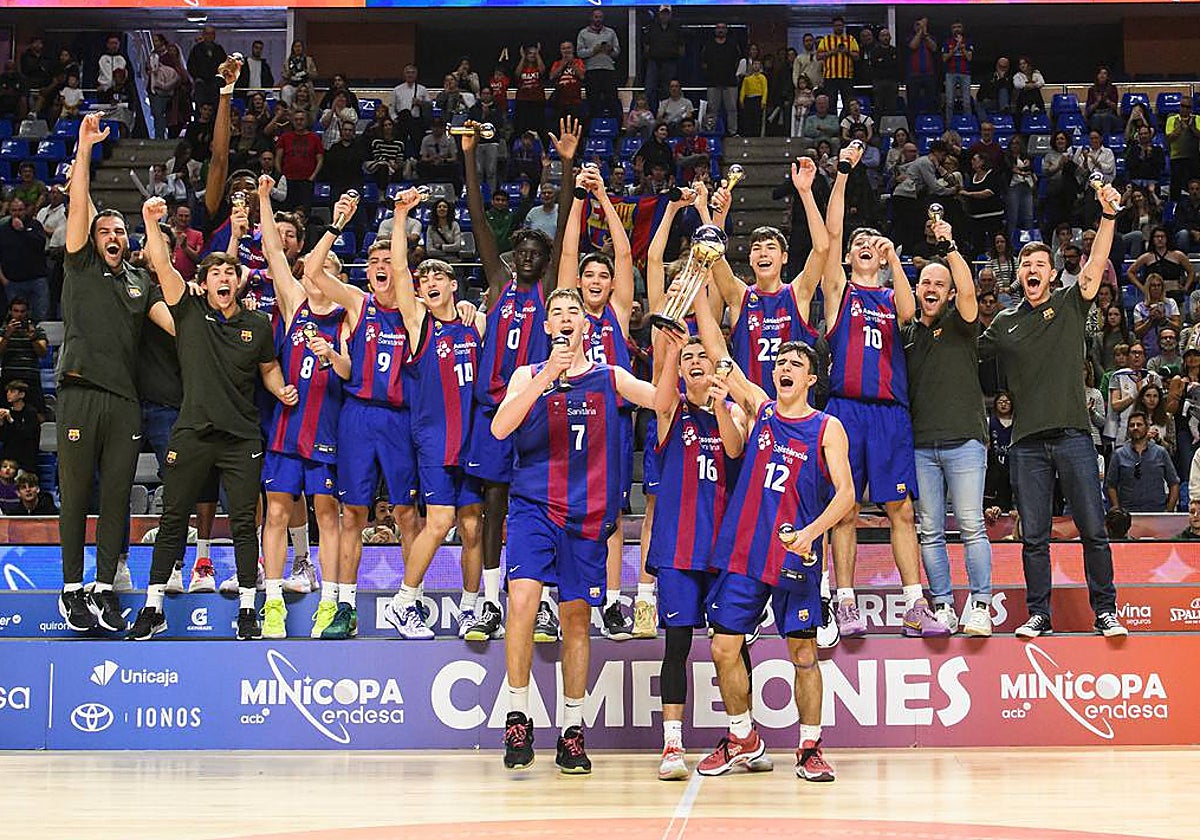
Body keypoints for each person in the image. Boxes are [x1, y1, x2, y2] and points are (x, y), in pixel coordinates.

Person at [496, 287, 670, 774]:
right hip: (533, 507)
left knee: (575, 619)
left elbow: (661, 400)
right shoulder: (527, 375)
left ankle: (572, 730)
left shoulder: (609, 377)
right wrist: (547, 375)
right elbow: (500, 429)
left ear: (586, 327)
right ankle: (517, 716)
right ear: (548, 328)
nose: (566, 317)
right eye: (557, 313)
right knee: (523, 602)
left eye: (574, 311)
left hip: (587, 516)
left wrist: (671, 351)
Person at [689, 282, 854, 782]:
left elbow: (846, 496)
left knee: (803, 652)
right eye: (780, 362)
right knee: (722, 646)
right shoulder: (760, 409)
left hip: (795, 556)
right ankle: (744, 737)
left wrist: (810, 534)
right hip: (745, 550)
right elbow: (719, 351)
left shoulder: (827, 428)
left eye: (794, 365)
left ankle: (809, 747)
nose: (783, 368)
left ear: (811, 378)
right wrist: (702, 276)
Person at [127, 196, 296, 642]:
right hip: (193, 432)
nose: (223, 277)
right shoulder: (190, 313)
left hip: (241, 438)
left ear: (239, 282)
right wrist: (149, 220)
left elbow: (269, 369)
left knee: (244, 522)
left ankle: (246, 610)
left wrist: (281, 389)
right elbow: (162, 267)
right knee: (173, 519)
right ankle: (153, 607)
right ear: (201, 283)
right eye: (214, 273)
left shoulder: (259, 325)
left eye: (229, 272)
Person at [977, 179, 1129, 638]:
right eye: (1026, 266)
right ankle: (1039, 614)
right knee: (1034, 538)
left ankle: (1106, 612)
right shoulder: (1004, 322)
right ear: (1018, 276)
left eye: (1040, 264)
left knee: (1093, 530)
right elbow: (969, 349)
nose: (1033, 270)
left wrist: (1107, 217)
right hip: (1026, 443)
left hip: (1074, 436)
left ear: (1051, 271)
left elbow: (1097, 264)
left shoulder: (1068, 302)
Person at [55, 113, 177, 635]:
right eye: (105, 229)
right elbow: (79, 204)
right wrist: (84, 148)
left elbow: (175, 323)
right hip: (80, 391)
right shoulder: (79, 263)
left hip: (125, 399)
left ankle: (105, 588)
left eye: (119, 231)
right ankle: (70, 589)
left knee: (116, 497)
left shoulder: (138, 283)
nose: (111, 235)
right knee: (77, 493)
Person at [822, 144, 947, 639]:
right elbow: (831, 236)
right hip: (846, 410)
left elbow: (911, 312)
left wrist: (896, 261)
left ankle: (915, 604)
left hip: (891, 412)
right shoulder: (840, 291)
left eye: (874, 242)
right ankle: (845, 602)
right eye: (860, 244)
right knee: (845, 509)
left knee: (901, 509)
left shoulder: (893, 293)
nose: (866, 247)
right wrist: (843, 174)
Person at [459, 119, 577, 642]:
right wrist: (468, 153)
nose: (527, 256)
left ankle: (545, 601)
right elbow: (480, 217)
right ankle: (488, 600)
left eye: (536, 252)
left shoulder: (547, 290)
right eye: (522, 251)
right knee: (491, 506)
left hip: (537, 415)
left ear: (547, 261)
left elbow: (569, 212)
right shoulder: (499, 283)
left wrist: (569, 164)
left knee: (544, 506)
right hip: (492, 415)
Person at [381, 190, 486, 640]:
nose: (430, 281)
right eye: (425, 279)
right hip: (435, 440)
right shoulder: (420, 325)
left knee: (472, 527)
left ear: (454, 285)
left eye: (439, 276)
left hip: (472, 441)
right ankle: (404, 601)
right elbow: (400, 270)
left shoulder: (474, 324)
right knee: (439, 522)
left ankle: (469, 607)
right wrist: (401, 215)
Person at [645, 331, 747, 778]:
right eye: (688, 357)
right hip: (677, 550)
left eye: (703, 354)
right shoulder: (670, 413)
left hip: (722, 553)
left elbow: (734, 448)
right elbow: (662, 396)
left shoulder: (735, 412)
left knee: (733, 647)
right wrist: (671, 351)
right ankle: (672, 746)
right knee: (677, 646)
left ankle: (743, 735)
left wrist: (722, 402)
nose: (695, 360)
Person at [256, 177, 348, 640]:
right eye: (314, 268)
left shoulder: (349, 318)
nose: (316, 274)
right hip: (288, 429)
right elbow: (274, 253)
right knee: (275, 513)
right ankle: (272, 601)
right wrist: (262, 201)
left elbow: (350, 371)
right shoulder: (294, 306)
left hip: (329, 431)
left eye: (327, 268)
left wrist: (334, 356)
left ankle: (329, 603)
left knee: (327, 514)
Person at [557, 165, 640, 639]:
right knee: (560, 513)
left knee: (609, 521)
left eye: (602, 275)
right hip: (565, 423)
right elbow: (568, 251)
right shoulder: (567, 312)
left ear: (610, 284)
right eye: (587, 274)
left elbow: (625, 252)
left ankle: (609, 601)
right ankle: (559, 598)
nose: (594, 279)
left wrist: (604, 197)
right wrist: (579, 199)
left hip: (612, 428)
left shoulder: (618, 311)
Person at [902, 218, 993, 636]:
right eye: (925, 282)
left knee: (972, 525)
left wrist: (949, 246)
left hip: (965, 441)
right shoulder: (906, 332)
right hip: (921, 445)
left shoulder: (961, 322)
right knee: (931, 532)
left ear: (951, 292)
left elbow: (971, 291)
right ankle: (942, 606)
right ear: (918, 288)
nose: (931, 288)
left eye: (940, 283)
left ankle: (980, 604)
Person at [1106, 412, 1180, 512]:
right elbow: (1110, 485)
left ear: (1147, 427)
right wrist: (1117, 510)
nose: (1135, 428)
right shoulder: (1118, 454)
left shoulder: (1161, 452)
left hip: (1157, 512)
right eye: (1132, 425)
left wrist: (1169, 510)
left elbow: (1174, 483)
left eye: (1139, 424)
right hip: (1128, 514)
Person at [0, 198, 50, 322]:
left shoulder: (35, 225)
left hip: (36, 281)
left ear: (26, 210)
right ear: (9, 211)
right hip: (13, 282)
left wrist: (23, 231)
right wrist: (3, 279)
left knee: (41, 318)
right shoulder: (3, 229)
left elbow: (40, 244)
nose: (17, 213)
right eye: (14, 210)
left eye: (20, 210)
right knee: (15, 321)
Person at [0, 298, 49, 414]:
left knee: (38, 414)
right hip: (9, 376)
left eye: (22, 311)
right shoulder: (3, 330)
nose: (19, 314)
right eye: (16, 311)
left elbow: (43, 353)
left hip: (30, 376)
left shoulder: (38, 331)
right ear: (10, 312)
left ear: (27, 312)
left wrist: (32, 338)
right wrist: (7, 335)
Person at [274, 109, 323, 211]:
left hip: (306, 181)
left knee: (304, 211)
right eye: (296, 120)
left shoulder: (314, 138)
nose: (299, 122)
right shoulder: (285, 137)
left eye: (301, 119)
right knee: (287, 211)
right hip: (288, 181)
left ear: (306, 121)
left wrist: (312, 177)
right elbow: (278, 158)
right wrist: (282, 175)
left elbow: (320, 160)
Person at [577, 9, 621, 119]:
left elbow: (617, 52)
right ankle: (592, 128)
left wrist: (610, 50)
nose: (598, 19)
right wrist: (593, 50)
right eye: (596, 17)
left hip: (608, 70)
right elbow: (580, 53)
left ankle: (615, 127)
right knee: (593, 101)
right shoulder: (583, 33)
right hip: (591, 71)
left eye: (600, 17)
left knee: (612, 100)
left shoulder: (610, 32)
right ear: (591, 18)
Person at [701, 23, 742, 136]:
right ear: (715, 30)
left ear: (727, 30)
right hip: (713, 83)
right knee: (712, 110)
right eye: (718, 28)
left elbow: (737, 61)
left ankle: (733, 132)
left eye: (723, 28)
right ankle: (712, 132)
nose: (720, 30)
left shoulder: (732, 44)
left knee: (732, 109)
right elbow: (704, 63)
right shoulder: (709, 45)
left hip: (730, 82)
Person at [816, 16, 858, 115]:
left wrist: (847, 52)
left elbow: (856, 56)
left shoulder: (850, 39)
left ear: (843, 26)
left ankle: (846, 124)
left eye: (840, 25)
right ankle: (833, 126)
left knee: (848, 103)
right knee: (831, 103)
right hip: (830, 77)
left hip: (847, 76)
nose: (838, 27)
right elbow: (818, 56)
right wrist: (832, 52)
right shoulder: (826, 40)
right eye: (836, 26)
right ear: (833, 27)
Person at [0, 379, 39, 473]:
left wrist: (11, 420)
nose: (8, 394)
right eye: (8, 391)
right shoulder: (7, 412)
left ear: (22, 394)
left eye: (12, 391)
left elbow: (27, 434)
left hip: (25, 458)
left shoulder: (30, 412)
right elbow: (3, 437)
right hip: (9, 457)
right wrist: (1, 423)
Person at [186, 27, 227, 108]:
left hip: (215, 84)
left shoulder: (219, 49)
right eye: (208, 34)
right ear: (204, 35)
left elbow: (224, 65)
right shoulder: (196, 49)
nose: (210, 36)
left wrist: (220, 78)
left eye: (212, 34)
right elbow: (191, 65)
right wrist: (196, 77)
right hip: (201, 83)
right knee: (200, 106)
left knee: (215, 106)